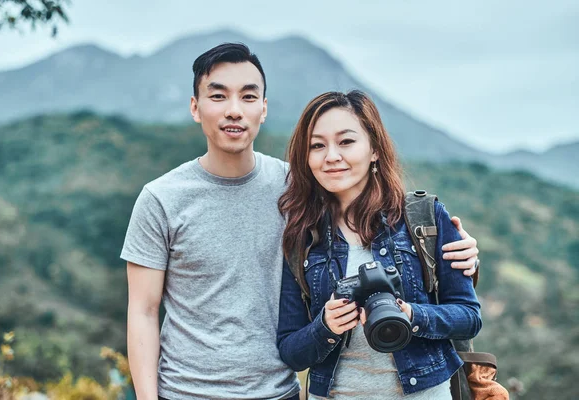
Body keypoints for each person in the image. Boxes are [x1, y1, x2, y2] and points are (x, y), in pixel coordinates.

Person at [121, 44, 480, 400]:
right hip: (185, 392)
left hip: (278, 393)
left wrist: (464, 255)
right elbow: (143, 312)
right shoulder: (164, 199)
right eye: (218, 96)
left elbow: (458, 301)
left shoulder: (297, 189)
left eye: (248, 97)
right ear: (195, 107)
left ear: (263, 109)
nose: (234, 110)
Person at [277, 90, 482, 399]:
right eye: (317, 146)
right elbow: (290, 350)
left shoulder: (423, 217)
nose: (331, 156)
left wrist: (412, 315)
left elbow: (469, 317)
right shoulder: (301, 238)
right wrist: (326, 326)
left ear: (374, 149)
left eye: (346, 142)